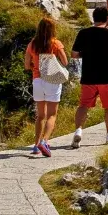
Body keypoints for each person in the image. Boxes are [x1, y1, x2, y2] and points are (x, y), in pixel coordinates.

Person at [70, 6, 108, 146]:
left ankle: (78, 131)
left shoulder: (83, 33)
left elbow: (74, 55)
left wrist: (85, 54)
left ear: (93, 18)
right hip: (107, 77)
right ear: (107, 19)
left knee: (83, 106)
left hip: (88, 76)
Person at [25, 17, 67, 157]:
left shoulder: (32, 44)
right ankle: (45, 141)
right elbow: (65, 62)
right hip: (52, 80)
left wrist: (35, 67)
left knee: (40, 115)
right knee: (52, 115)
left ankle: (36, 146)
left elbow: (26, 65)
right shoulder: (55, 43)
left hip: (37, 80)